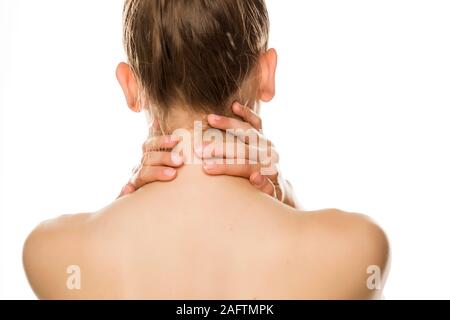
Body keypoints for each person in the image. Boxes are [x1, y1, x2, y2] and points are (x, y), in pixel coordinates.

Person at [23, 0, 390, 299]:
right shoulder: (359, 247)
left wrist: (124, 203)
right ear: (267, 73)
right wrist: (284, 196)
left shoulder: (49, 251)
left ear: (130, 86)